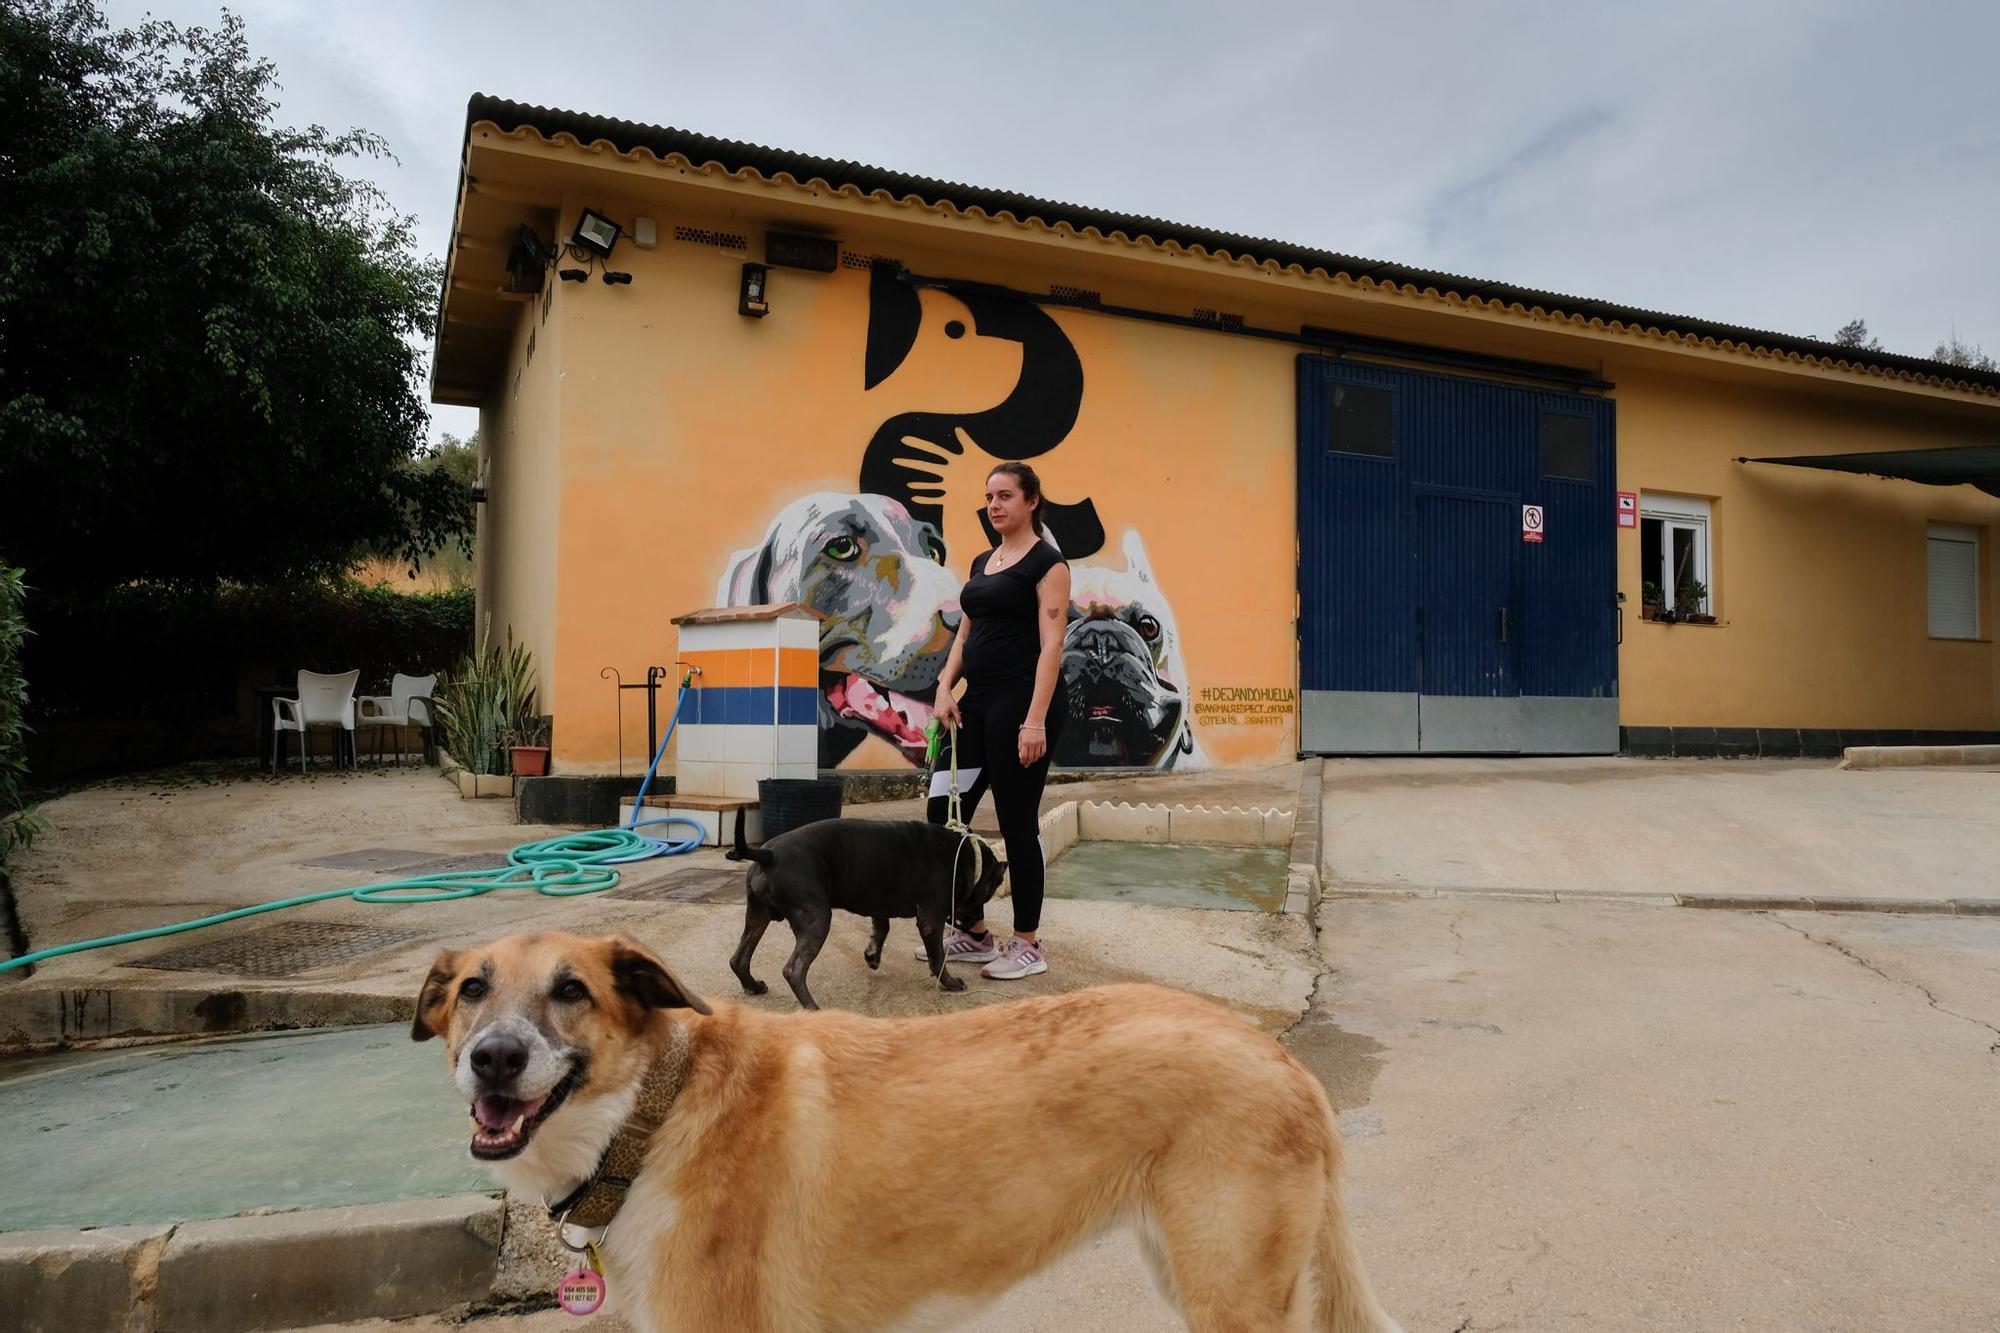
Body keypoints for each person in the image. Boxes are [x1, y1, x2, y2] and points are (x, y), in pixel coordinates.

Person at [920, 461, 1071, 980]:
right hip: (975, 702)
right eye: (989, 497)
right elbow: (965, 634)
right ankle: (974, 931)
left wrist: (1035, 721)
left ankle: (1027, 942)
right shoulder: (985, 561)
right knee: (943, 813)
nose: (995, 505)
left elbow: (1053, 644)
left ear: (1031, 501)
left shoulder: (1049, 565)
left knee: (1015, 821)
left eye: (1005, 495)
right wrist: (943, 687)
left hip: (1023, 702)